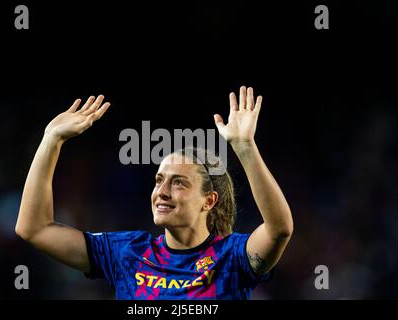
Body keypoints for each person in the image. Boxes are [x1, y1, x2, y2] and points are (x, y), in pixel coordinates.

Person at [15, 86, 293, 299]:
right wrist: (51, 140)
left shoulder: (232, 257)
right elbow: (34, 228)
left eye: (178, 183)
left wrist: (245, 147)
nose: (162, 191)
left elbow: (279, 229)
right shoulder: (126, 253)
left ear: (208, 201)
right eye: (159, 180)